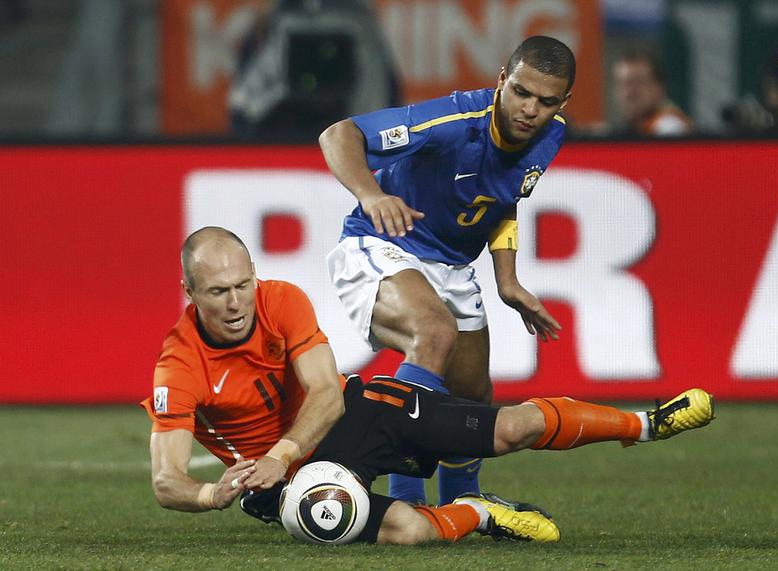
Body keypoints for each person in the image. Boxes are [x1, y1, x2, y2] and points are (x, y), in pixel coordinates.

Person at [141, 226, 716, 545]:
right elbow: (167, 480)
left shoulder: (281, 300)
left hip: (349, 417)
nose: (236, 302)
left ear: (254, 276)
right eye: (218, 292)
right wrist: (212, 495)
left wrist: (282, 451)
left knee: (512, 427)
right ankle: (478, 513)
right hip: (287, 485)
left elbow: (325, 393)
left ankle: (646, 424)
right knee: (407, 531)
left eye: (243, 285)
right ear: (189, 292)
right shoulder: (179, 365)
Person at [318, 35, 572, 505]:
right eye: (521, 92)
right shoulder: (453, 121)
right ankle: (403, 499)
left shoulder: (551, 134)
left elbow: (503, 198)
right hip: (383, 243)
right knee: (433, 333)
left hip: (452, 266)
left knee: (472, 395)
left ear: (563, 103)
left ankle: (462, 503)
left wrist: (507, 280)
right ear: (502, 79)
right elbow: (338, 135)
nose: (530, 109)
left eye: (546, 101)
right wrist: (371, 195)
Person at [611, 48, 693, 137]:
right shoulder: (632, 128)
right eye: (622, 84)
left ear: (659, 88)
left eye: (638, 82)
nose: (629, 92)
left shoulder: (669, 126)